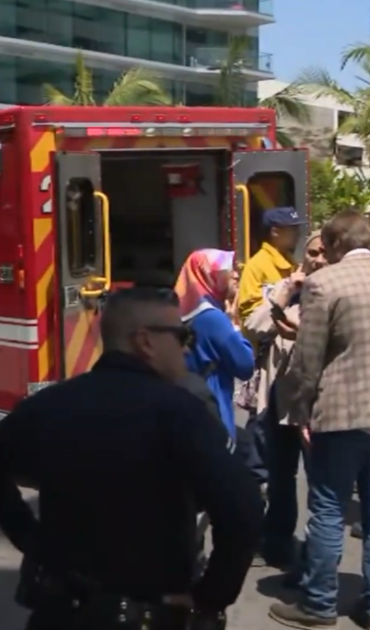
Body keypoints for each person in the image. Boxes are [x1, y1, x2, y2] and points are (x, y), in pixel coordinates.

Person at [0, 287, 263, 630]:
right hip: (149, 614)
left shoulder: (51, 404)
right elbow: (244, 509)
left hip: (60, 614)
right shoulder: (180, 411)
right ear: (145, 341)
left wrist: (31, 540)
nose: (187, 347)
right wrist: (212, 595)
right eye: (182, 335)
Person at [269, 210, 370, 628]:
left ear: (333, 245)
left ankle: (318, 603)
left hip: (342, 412)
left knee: (328, 506)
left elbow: (308, 360)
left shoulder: (324, 283)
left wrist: (299, 409)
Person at [242, 230, 326, 569]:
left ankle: (314, 562)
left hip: (317, 404)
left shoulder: (334, 292)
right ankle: (278, 544)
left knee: (323, 487)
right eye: (313, 252)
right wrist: (287, 290)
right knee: (280, 477)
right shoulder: (287, 286)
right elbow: (253, 324)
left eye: (324, 252)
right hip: (278, 398)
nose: (317, 259)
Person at [176, 249, 256, 442]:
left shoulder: (186, 310)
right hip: (214, 413)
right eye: (228, 269)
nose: (236, 274)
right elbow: (245, 365)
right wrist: (234, 325)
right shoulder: (212, 318)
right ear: (209, 275)